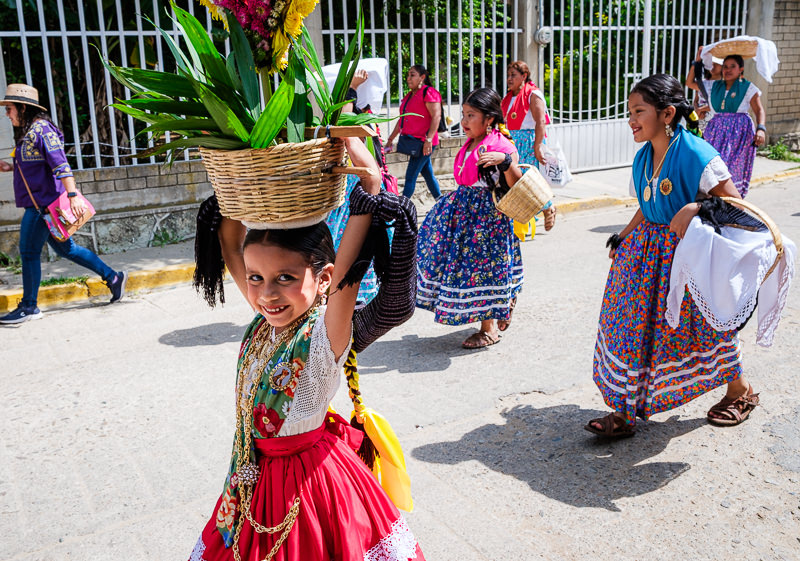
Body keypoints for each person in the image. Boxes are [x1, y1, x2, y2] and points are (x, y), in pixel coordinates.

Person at [188, 137, 424, 561]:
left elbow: (353, 248)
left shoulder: (322, 336)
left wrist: (359, 154)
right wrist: (238, 168)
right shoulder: (266, 323)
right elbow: (229, 242)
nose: (265, 293)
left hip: (309, 486)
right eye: (256, 278)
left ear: (324, 278)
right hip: (252, 478)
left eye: (285, 278)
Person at [586, 74, 756, 438]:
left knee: (706, 327)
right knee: (630, 328)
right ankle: (624, 408)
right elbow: (648, 205)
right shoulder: (644, 156)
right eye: (629, 112)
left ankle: (740, 391)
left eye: (638, 111)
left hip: (686, 258)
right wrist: (623, 237)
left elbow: (737, 206)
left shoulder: (696, 154)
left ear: (667, 114)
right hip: (644, 255)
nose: (631, 120)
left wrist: (694, 207)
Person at [0, 84, 126, 324]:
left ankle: (29, 307)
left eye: (10, 109)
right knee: (67, 250)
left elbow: (61, 165)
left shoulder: (42, 131)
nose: (7, 114)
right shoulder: (29, 133)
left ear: (23, 107)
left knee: (28, 253)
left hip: (42, 208)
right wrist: (9, 167)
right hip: (42, 207)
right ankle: (114, 278)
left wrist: (73, 195)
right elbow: (37, 167)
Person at [416, 88, 524, 348]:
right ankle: (503, 300)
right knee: (451, 264)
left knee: (485, 271)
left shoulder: (502, 145)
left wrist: (506, 162)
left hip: (487, 221)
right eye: (463, 115)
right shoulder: (471, 141)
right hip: (463, 216)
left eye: (471, 115)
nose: (463, 122)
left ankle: (489, 330)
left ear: (489, 119)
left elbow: (517, 185)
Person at [686, 50, 767, 197]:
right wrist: (697, 62)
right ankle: (712, 199)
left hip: (740, 133)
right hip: (716, 131)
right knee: (712, 165)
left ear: (741, 69)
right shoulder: (713, 86)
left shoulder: (748, 88)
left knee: (732, 168)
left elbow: (759, 109)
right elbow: (690, 83)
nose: (727, 70)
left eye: (732, 66)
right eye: (725, 67)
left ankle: (731, 202)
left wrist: (761, 129)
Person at [500, 60, 556, 234]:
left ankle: (548, 208)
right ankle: (520, 221)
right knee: (513, 181)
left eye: (513, 75)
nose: (509, 79)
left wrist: (538, 145)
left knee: (528, 181)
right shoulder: (509, 97)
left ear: (524, 76)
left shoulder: (533, 94)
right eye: (508, 75)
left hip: (528, 141)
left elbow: (540, 122)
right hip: (512, 141)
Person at [385, 65, 442, 199]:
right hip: (414, 141)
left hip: (424, 143)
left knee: (410, 176)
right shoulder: (410, 95)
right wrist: (390, 139)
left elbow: (436, 117)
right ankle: (440, 201)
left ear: (422, 77)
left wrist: (428, 140)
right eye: (408, 75)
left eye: (412, 75)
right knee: (428, 174)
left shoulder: (429, 93)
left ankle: (401, 209)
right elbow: (402, 121)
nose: (408, 78)